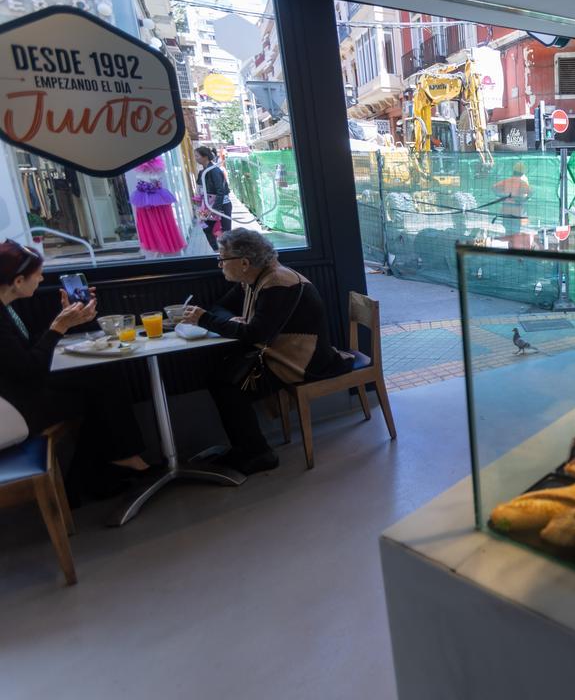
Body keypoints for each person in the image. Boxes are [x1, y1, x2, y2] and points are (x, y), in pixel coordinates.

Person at [182, 229, 351, 475]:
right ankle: (248, 449)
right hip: (281, 353)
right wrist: (233, 320)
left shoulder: (278, 283)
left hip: (307, 361)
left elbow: (256, 334)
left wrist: (205, 319)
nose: (219, 265)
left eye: (222, 259)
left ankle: (258, 454)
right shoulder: (254, 279)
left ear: (243, 262)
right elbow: (222, 308)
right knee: (220, 376)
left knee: (227, 385)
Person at [0, 240, 151, 499]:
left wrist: (66, 321)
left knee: (103, 377)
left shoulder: (6, 309)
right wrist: (59, 327)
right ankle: (111, 469)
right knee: (98, 394)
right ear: (18, 281)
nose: (42, 278)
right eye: (37, 274)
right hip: (15, 407)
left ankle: (108, 470)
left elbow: (22, 352)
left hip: (20, 390)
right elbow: (28, 369)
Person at [195, 146, 232, 251]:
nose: (195, 158)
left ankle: (226, 254)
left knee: (225, 232)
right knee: (206, 227)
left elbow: (221, 191)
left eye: (197, 156)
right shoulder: (203, 172)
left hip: (221, 205)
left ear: (205, 157)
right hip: (209, 204)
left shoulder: (214, 170)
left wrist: (215, 209)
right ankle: (217, 251)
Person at [492, 161, 531, 238]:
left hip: (505, 213)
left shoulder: (506, 181)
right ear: (522, 173)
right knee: (515, 235)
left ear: (513, 171)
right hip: (516, 214)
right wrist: (523, 199)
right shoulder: (522, 183)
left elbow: (493, 188)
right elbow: (531, 192)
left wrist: (501, 196)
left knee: (508, 233)